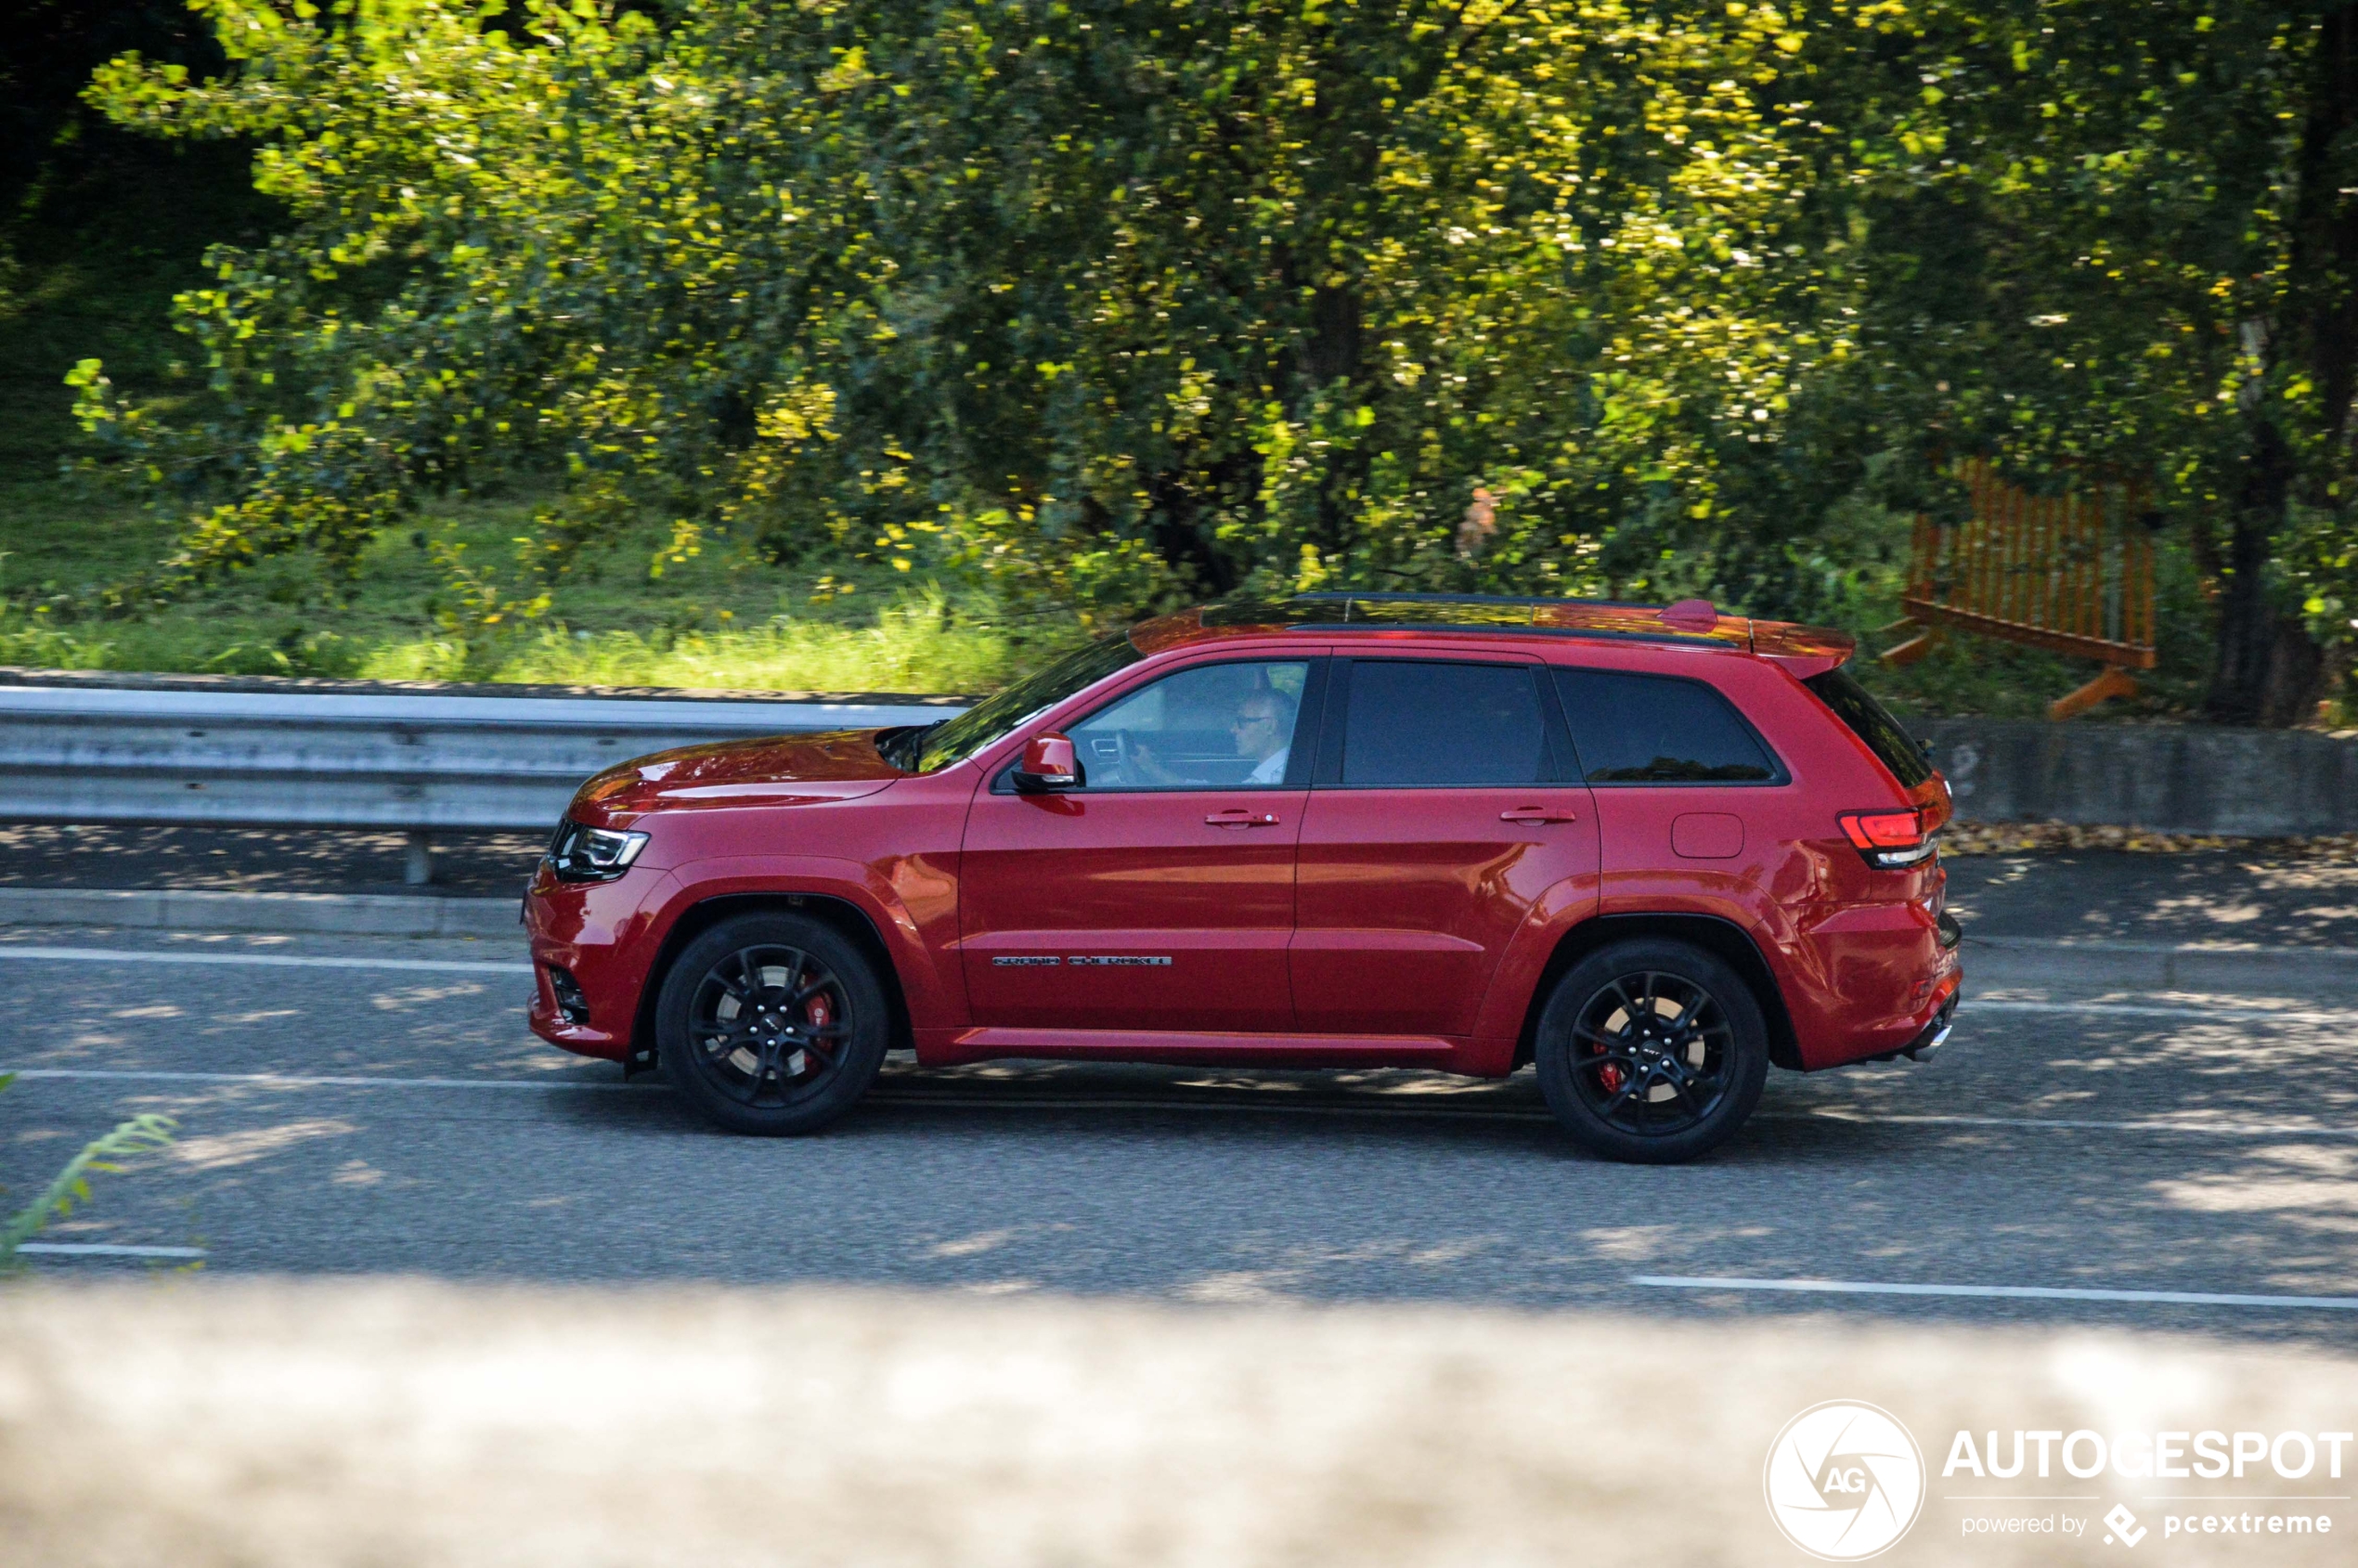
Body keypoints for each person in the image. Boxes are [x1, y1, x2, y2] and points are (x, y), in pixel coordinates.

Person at [1131, 685, 1296, 786]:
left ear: (1269, 726)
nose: (1233, 729)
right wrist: (1152, 769)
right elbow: (1208, 793)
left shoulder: (1276, 779)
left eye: (1242, 721)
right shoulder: (1277, 773)